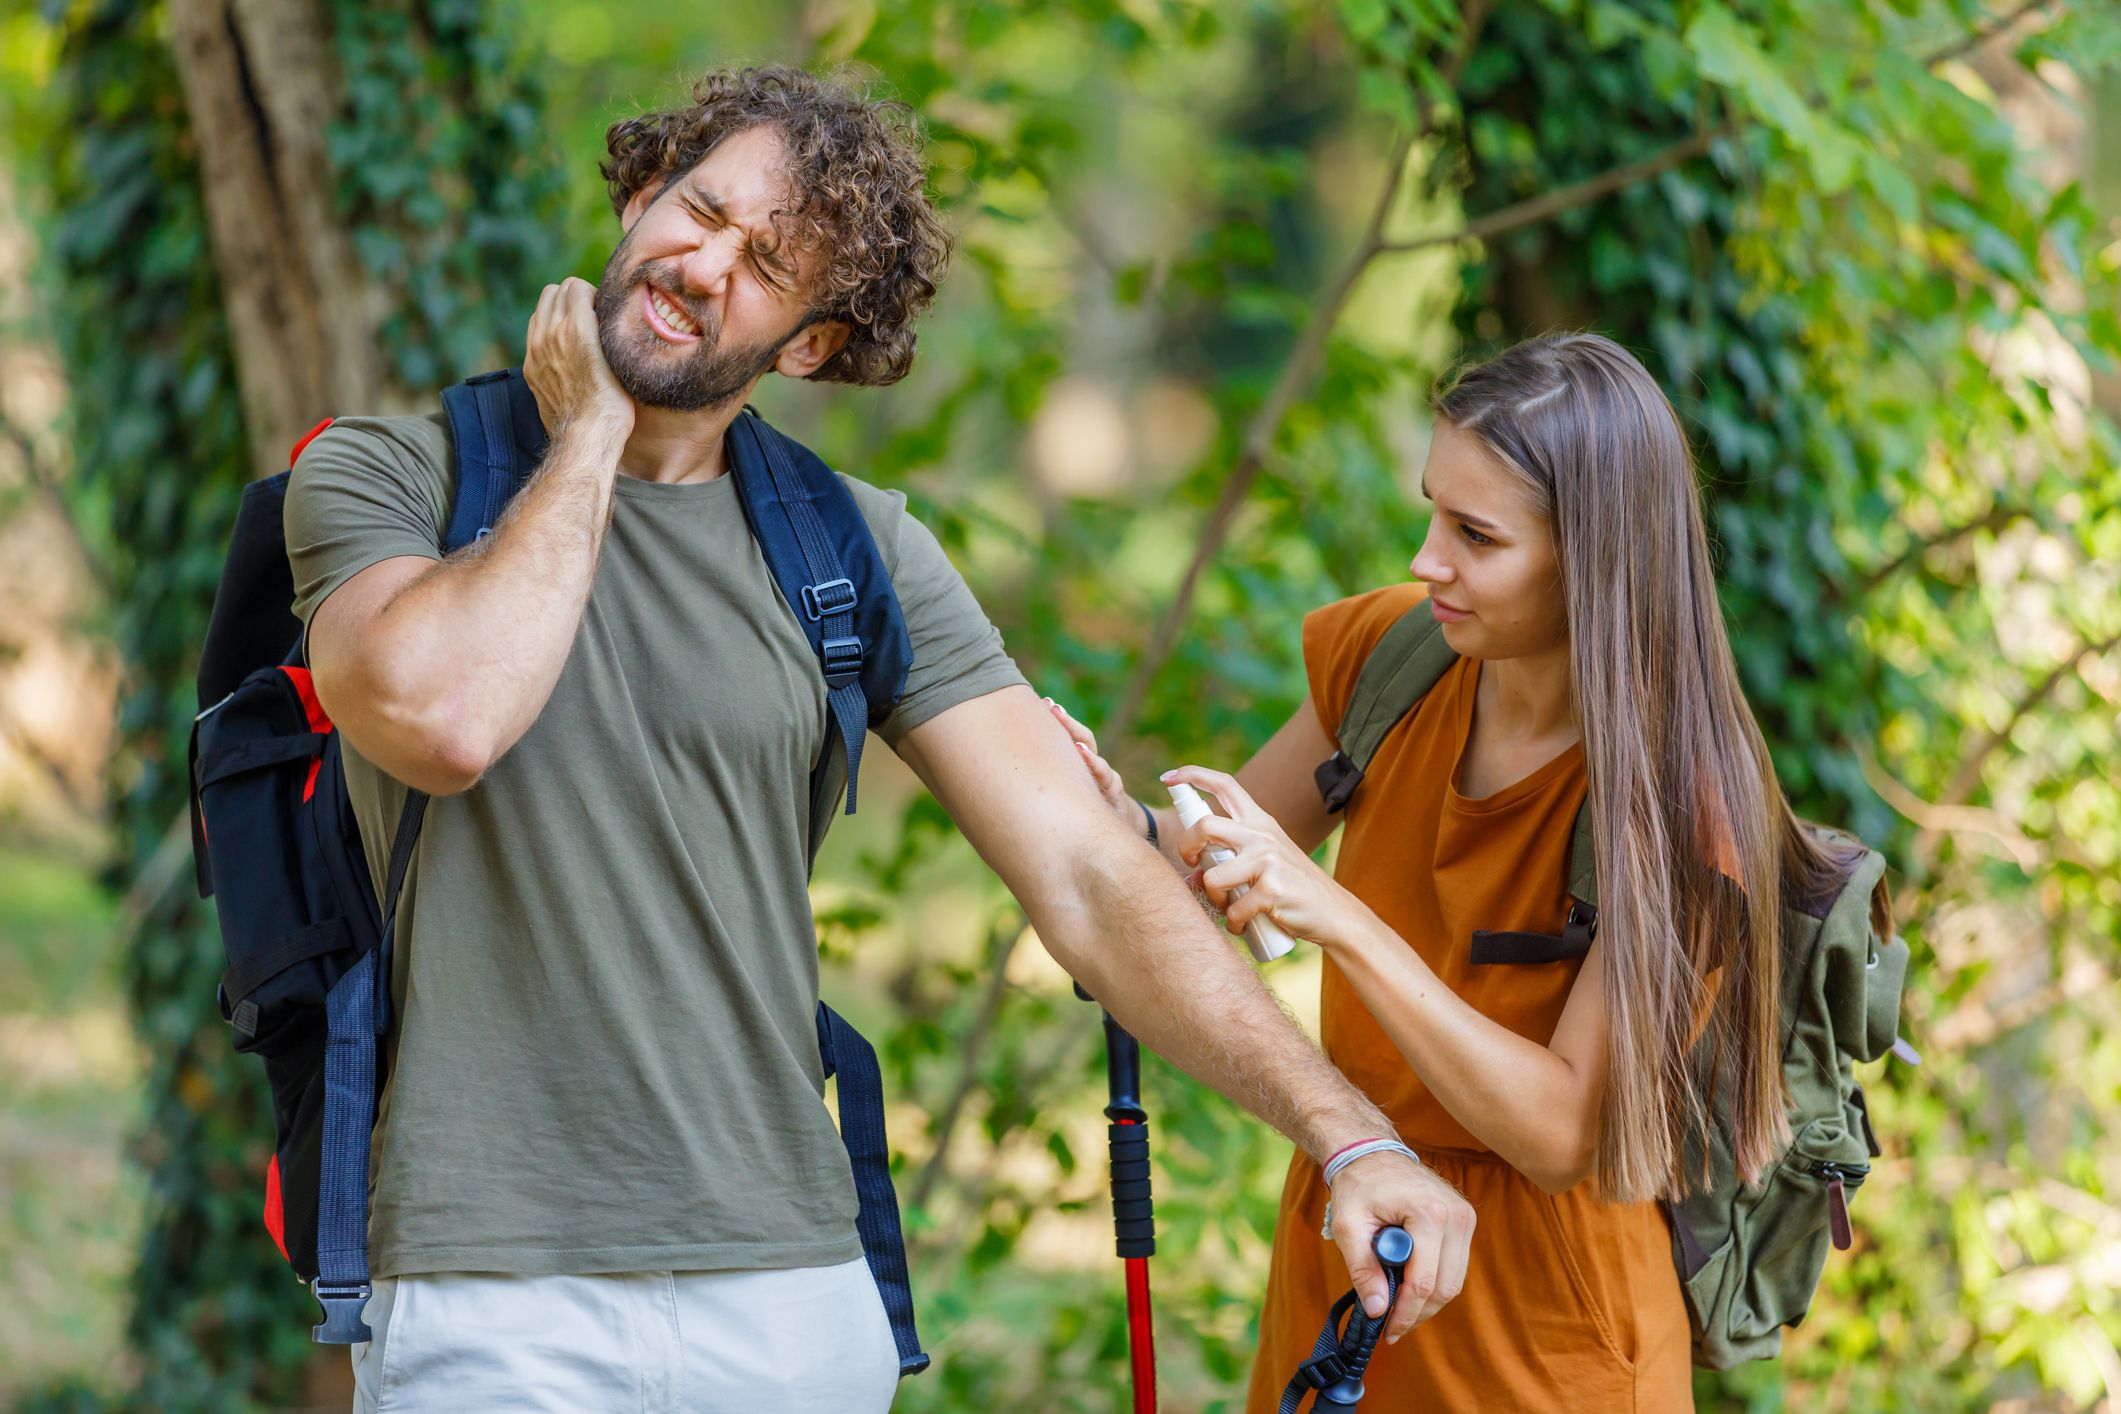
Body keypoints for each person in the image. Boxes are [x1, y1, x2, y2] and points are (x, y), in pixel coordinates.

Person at [286, 64, 1470, 1412]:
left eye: (767, 260)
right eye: (699, 208)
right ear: (635, 196)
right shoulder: (392, 474)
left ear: (807, 344)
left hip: (791, 1298)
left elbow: (1087, 875)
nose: (702, 262)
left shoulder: (856, 549)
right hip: (491, 1292)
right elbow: (444, 719)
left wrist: (1348, 1132)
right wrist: (592, 436)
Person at [1058, 331, 1870, 1410]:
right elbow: (1201, 867)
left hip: (1542, 1330)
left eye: (1476, 534)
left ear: (1593, 558)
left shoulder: (1687, 804)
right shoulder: (1388, 661)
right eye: (1434, 509)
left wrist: (1340, 921)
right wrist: (1105, 812)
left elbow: (1559, 1130)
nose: (1426, 559)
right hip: (1346, 1250)